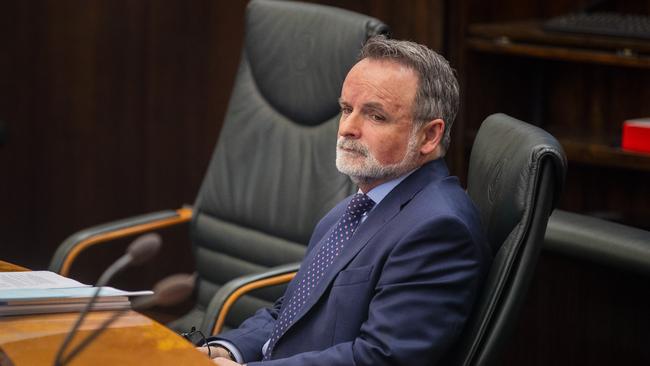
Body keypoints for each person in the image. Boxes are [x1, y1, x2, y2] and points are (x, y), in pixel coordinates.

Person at [198, 36, 491, 366]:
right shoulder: (358, 206)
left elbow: (380, 358)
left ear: (429, 136)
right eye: (346, 109)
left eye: (375, 116)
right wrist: (222, 350)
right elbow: (290, 314)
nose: (348, 128)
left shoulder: (439, 229)